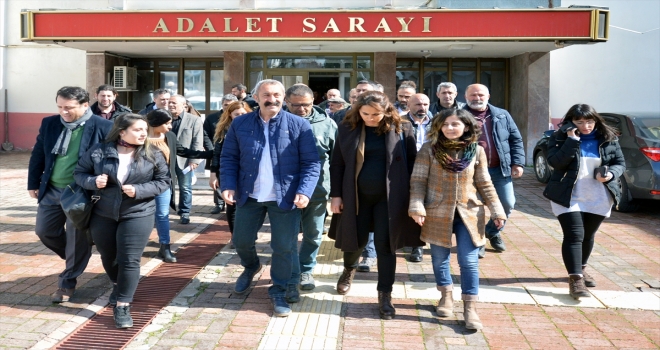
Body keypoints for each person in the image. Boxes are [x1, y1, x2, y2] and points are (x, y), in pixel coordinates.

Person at [220, 79, 320, 318]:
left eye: (276, 95)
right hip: (249, 195)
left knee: (284, 247)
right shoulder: (240, 123)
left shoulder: (299, 125)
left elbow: (311, 163)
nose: (271, 99)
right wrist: (228, 185)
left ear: (284, 98)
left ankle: (279, 289)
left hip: (284, 197)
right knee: (242, 241)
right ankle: (251, 266)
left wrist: (304, 190)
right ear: (255, 97)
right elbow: (229, 157)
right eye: (266, 94)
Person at [409, 108, 506, 330]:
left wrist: (497, 210)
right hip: (436, 211)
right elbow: (418, 181)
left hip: (469, 212)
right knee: (439, 258)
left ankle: (470, 307)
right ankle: (445, 295)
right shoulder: (429, 149)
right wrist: (416, 206)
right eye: (445, 124)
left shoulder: (476, 151)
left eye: (455, 124)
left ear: (467, 127)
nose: (450, 128)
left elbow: (485, 184)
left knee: (468, 261)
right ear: (439, 127)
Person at [328, 90, 422, 320]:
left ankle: (385, 294)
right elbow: (337, 164)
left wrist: (414, 197)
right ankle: (348, 270)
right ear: (358, 110)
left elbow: (412, 163)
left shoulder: (403, 128)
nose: (370, 118)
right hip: (356, 196)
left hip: (390, 199)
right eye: (365, 113)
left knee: (385, 245)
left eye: (376, 114)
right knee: (354, 241)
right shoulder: (347, 128)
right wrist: (336, 195)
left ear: (387, 111)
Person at [73, 113, 170, 328]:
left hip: (138, 212)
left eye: (145, 129)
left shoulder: (153, 153)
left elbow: (163, 181)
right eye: (137, 130)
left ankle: (123, 305)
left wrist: (139, 190)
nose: (143, 133)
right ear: (122, 131)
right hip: (103, 213)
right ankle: (118, 285)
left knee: (129, 259)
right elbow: (79, 173)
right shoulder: (99, 151)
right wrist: (92, 181)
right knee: (109, 256)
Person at [28, 86, 113, 303]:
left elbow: (110, 159)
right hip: (51, 189)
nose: (64, 112)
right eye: (60, 107)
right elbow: (39, 153)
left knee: (76, 239)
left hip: (80, 191)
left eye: (69, 108)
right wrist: (33, 182)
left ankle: (67, 284)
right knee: (44, 231)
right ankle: (76, 257)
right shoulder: (50, 123)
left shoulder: (102, 126)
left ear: (85, 105)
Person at [544, 104, 625, 299]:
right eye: (579, 122)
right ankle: (576, 280)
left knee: (588, 236)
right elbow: (556, 163)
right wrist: (571, 140)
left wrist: (611, 174)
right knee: (574, 235)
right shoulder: (558, 138)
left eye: (589, 121)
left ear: (596, 120)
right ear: (571, 122)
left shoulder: (608, 138)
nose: (586, 126)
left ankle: (581, 268)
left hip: (598, 195)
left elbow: (620, 163)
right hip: (568, 194)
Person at [283, 84, 337, 302]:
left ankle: (306, 269)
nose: (302, 109)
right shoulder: (277, 122)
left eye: (306, 105)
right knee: (286, 235)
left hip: (317, 190)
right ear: (287, 102)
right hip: (285, 190)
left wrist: (336, 191)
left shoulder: (327, 124)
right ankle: (290, 273)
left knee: (313, 234)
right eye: (296, 105)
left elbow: (336, 160)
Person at [463, 84, 524, 258]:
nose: (477, 98)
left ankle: (492, 231)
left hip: (500, 170)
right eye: (473, 95)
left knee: (507, 203)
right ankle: (479, 240)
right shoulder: (459, 115)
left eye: (480, 94)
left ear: (488, 95)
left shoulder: (502, 115)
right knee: (476, 208)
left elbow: (516, 140)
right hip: (472, 171)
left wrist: (518, 163)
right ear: (466, 96)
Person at [146, 109, 212, 263]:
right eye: (167, 123)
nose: (170, 126)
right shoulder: (140, 137)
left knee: (163, 214)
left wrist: (211, 154)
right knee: (143, 216)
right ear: (156, 123)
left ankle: (165, 246)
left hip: (163, 183)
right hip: (142, 185)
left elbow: (183, 151)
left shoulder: (169, 136)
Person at [209, 101, 253, 247]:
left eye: (243, 114)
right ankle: (235, 237)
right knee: (232, 205)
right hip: (229, 171)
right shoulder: (224, 129)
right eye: (236, 114)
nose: (240, 116)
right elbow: (217, 153)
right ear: (230, 115)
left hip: (249, 171)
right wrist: (213, 173)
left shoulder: (255, 127)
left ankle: (249, 235)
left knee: (250, 204)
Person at [167, 94, 205, 224]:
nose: (171, 105)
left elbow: (197, 141)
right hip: (166, 160)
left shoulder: (194, 120)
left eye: (174, 103)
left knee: (185, 187)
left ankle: (184, 212)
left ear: (184, 105)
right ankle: (166, 210)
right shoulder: (164, 118)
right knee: (166, 186)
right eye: (169, 102)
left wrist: (194, 160)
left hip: (184, 161)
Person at [204, 94, 239, 214]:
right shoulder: (212, 118)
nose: (227, 107)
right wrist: (212, 148)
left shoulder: (239, 117)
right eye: (225, 105)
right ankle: (219, 203)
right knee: (217, 178)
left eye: (230, 105)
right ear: (221, 105)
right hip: (216, 151)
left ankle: (233, 201)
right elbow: (206, 134)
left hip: (233, 155)